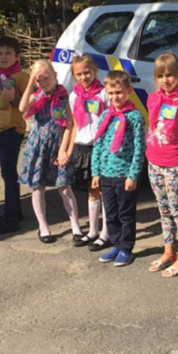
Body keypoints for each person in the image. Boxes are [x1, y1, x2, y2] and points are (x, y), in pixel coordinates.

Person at [18, 60, 83, 244]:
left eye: (46, 77)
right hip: (38, 147)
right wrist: (30, 84)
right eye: (39, 80)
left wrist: (64, 150)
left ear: (55, 75)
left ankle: (75, 225)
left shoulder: (64, 96)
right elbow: (22, 108)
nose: (43, 82)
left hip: (58, 147)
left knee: (64, 187)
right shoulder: (36, 96)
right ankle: (43, 226)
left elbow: (70, 124)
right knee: (38, 187)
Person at [145, 53, 178, 277]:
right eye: (161, 76)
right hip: (154, 160)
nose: (166, 80)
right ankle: (169, 250)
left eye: (170, 75)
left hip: (175, 162)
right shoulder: (153, 98)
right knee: (163, 209)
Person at [91, 71, 146, 267]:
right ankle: (115, 243)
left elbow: (140, 148)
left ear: (129, 90)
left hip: (124, 176)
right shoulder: (106, 115)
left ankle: (126, 247)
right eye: (111, 93)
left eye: (119, 92)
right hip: (106, 174)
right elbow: (98, 143)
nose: (115, 97)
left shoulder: (134, 117)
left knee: (125, 213)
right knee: (111, 213)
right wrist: (95, 172)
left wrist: (133, 175)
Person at [66, 54, 110, 251]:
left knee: (104, 189)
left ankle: (106, 234)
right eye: (79, 74)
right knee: (91, 191)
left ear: (94, 71)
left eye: (87, 72)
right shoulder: (74, 96)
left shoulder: (104, 94)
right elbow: (74, 124)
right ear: (74, 76)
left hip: (100, 147)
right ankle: (93, 231)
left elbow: (111, 121)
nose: (84, 77)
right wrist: (68, 150)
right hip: (82, 147)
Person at [0, 36, 29, 235]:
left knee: (9, 174)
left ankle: (11, 218)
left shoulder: (21, 77)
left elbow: (26, 105)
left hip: (10, 129)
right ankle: (16, 211)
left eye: (8, 53)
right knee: (7, 172)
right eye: (0, 53)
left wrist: (14, 99)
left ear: (17, 56)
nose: (3, 57)